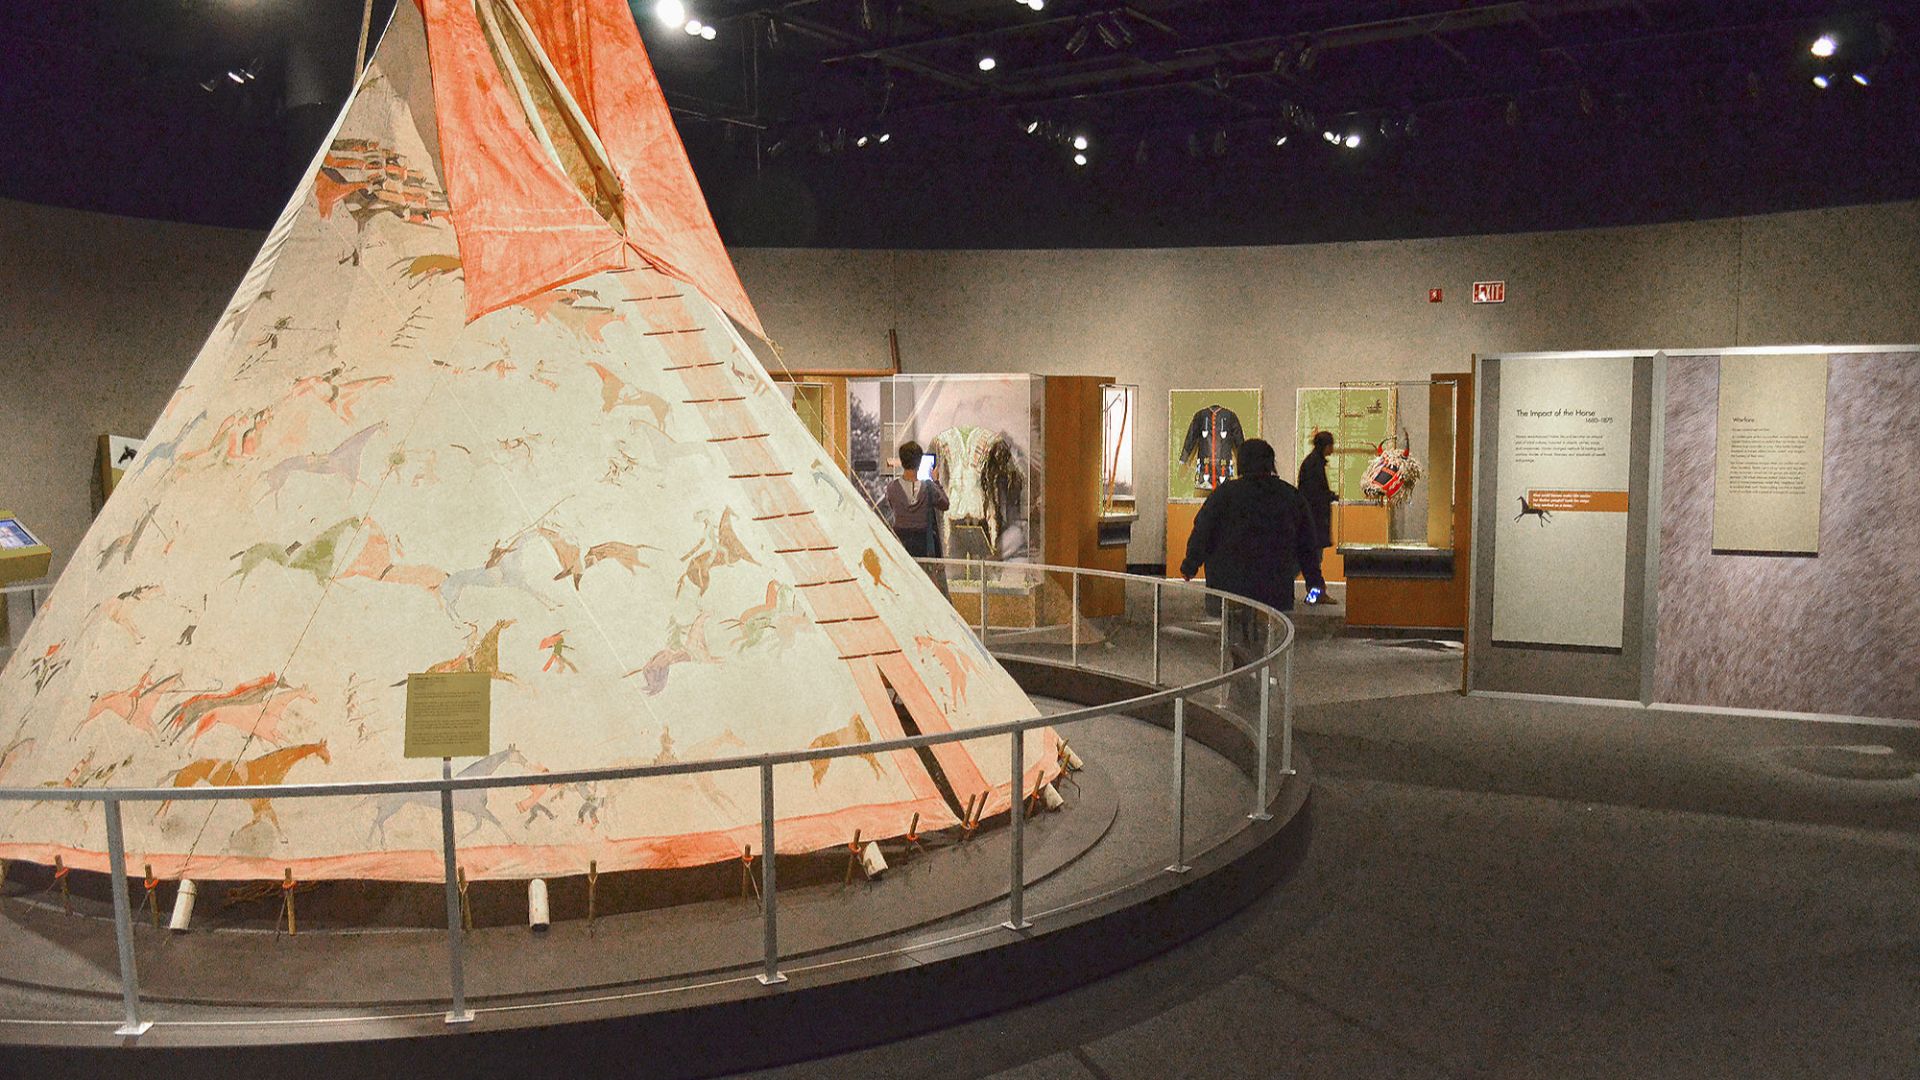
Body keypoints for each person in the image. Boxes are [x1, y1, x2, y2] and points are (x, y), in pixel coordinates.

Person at [1181, 439, 1320, 701]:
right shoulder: (1289, 495)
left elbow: (1203, 530)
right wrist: (1314, 580)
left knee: (1234, 631)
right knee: (1267, 632)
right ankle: (1260, 679)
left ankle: (1241, 677)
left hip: (1230, 583)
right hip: (1273, 582)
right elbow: (1306, 542)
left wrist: (1191, 564)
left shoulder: (1225, 495)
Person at [878, 441, 949, 559]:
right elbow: (945, 504)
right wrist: (935, 481)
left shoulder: (892, 487)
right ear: (920, 462)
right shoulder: (929, 487)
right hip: (924, 546)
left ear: (902, 461)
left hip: (900, 546)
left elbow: (891, 506)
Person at [1296, 430, 1337, 605]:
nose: (1332, 449)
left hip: (1312, 521)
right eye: (1331, 445)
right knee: (1312, 561)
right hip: (1313, 522)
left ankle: (1314, 594)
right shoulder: (1313, 465)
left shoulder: (1314, 463)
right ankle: (1314, 595)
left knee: (1311, 561)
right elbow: (1313, 495)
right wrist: (1328, 496)